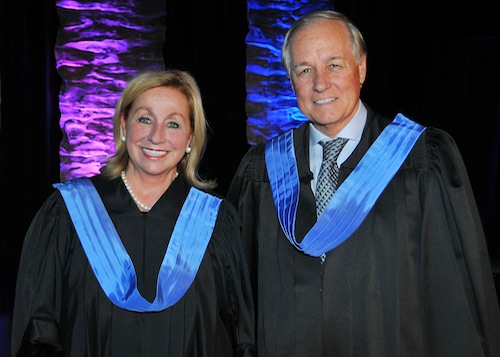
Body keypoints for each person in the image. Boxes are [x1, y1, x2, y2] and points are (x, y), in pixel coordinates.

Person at [226, 10, 500, 356]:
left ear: (362, 69)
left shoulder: (419, 161)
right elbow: (237, 295)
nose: (320, 83)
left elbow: (453, 299)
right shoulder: (261, 172)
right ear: (291, 81)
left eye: (334, 65)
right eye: (304, 69)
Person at [11, 69, 256, 357]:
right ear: (124, 126)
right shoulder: (67, 214)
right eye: (144, 119)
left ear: (191, 138)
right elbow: (38, 334)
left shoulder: (216, 222)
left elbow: (242, 338)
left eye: (173, 124)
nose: (156, 136)